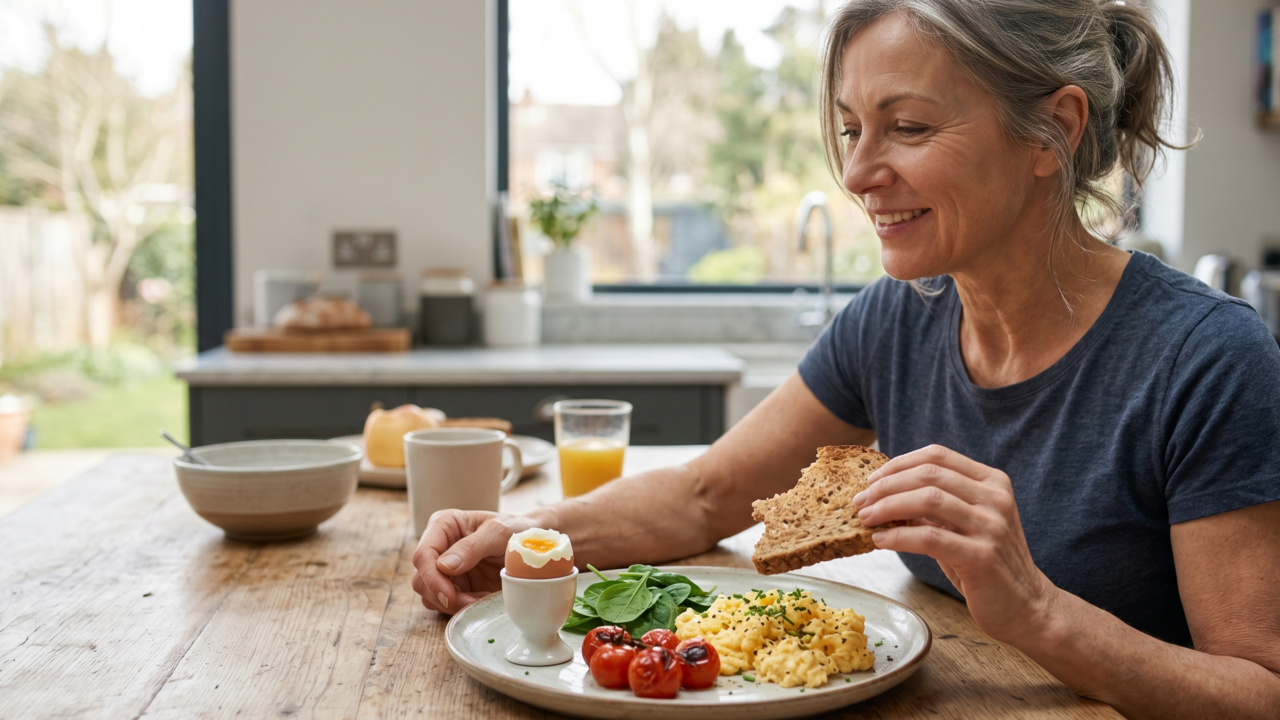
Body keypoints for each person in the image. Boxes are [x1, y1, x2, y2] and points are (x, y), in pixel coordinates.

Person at [414, 1, 1280, 715]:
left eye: (906, 127)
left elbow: (1259, 692)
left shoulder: (1207, 358)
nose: (860, 172)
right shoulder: (899, 318)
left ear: (1050, 130)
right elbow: (709, 493)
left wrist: (1039, 610)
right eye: (851, 128)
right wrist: (530, 541)